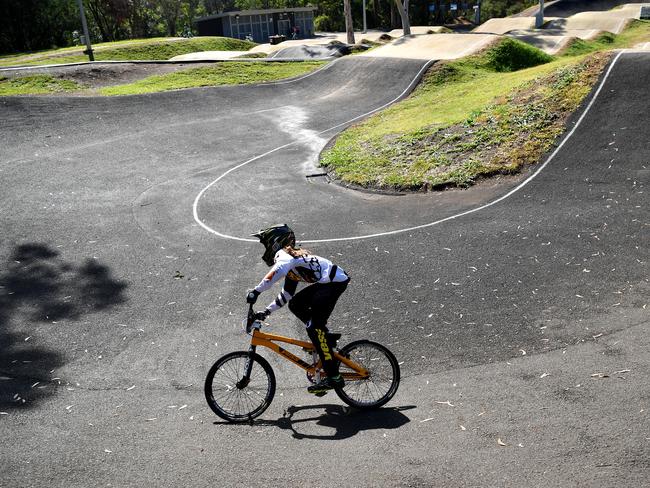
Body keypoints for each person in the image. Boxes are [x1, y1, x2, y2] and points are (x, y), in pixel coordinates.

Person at [247, 224, 350, 395]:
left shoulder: (284, 256)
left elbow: (277, 271)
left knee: (314, 328)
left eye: (266, 244)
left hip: (333, 283)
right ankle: (324, 338)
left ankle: (334, 377)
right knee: (295, 304)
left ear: (275, 243)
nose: (266, 249)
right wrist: (266, 311)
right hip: (330, 283)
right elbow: (286, 295)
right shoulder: (292, 262)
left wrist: (256, 291)